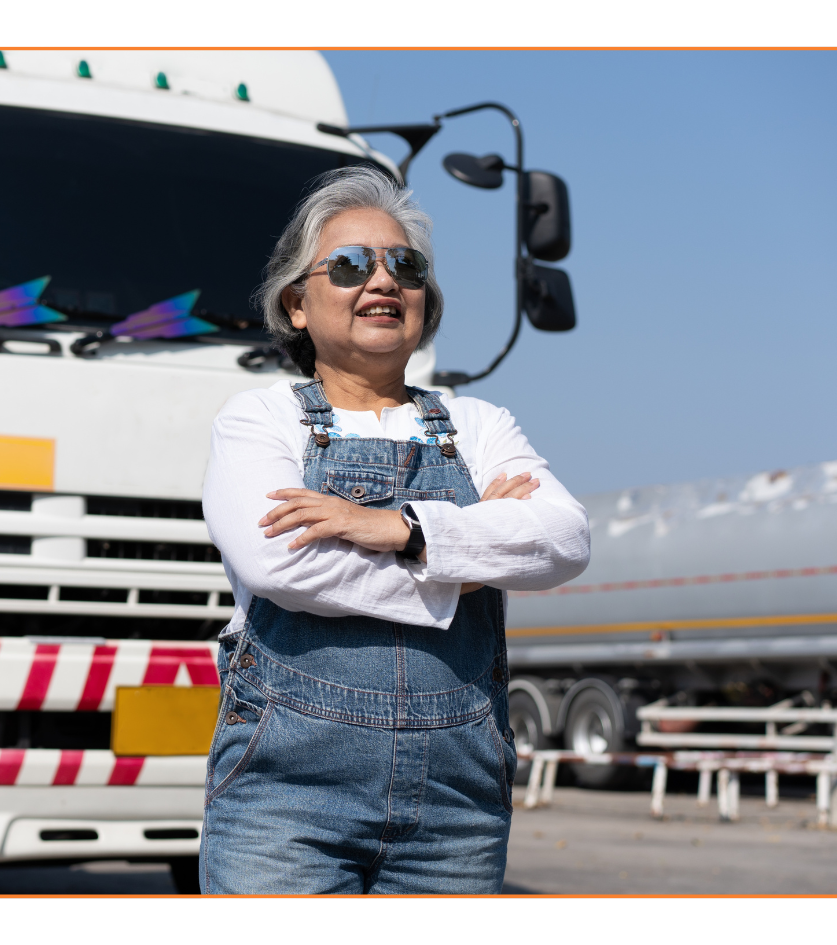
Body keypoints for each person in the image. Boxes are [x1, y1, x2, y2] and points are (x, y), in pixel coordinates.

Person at [199, 166, 590, 894]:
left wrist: (398, 528)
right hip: (287, 804)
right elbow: (279, 566)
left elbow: (564, 537)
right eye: (349, 265)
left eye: (404, 265)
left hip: (457, 810)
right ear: (296, 305)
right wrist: (470, 554)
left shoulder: (479, 424)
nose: (383, 281)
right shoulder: (260, 421)